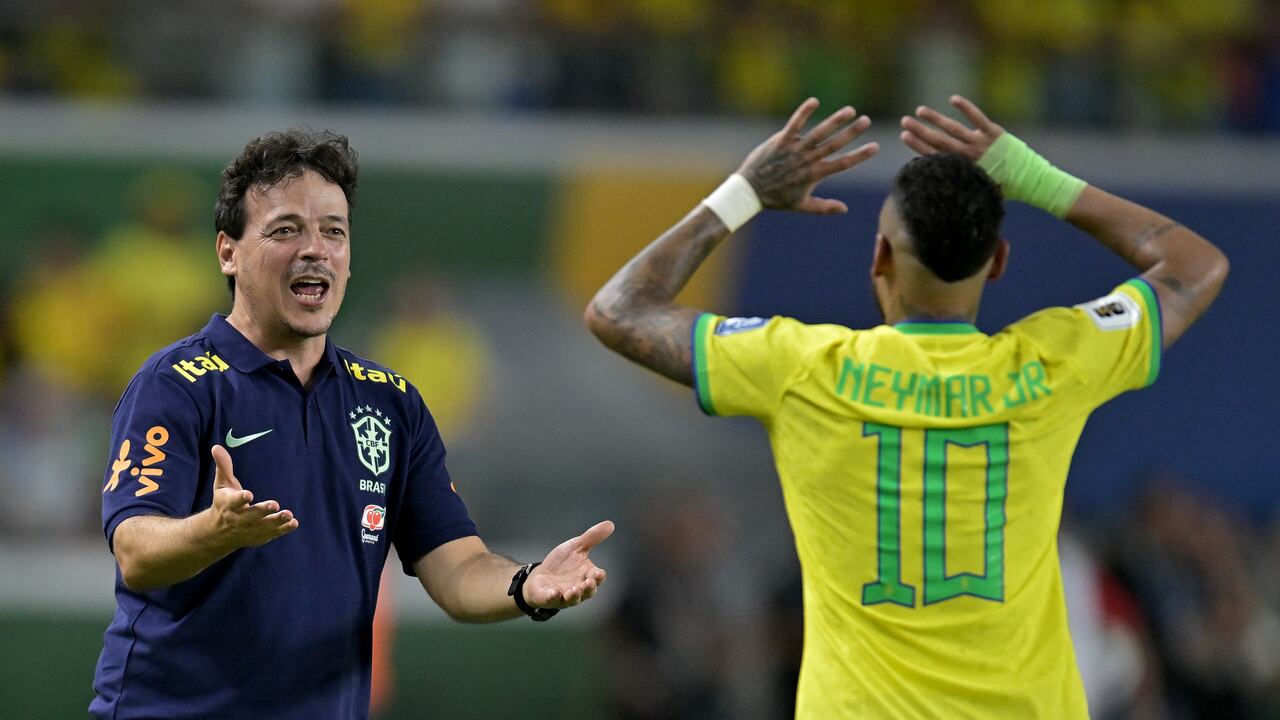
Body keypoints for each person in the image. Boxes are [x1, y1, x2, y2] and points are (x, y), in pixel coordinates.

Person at [584, 95, 1227, 718]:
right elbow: (1193, 265)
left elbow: (619, 311)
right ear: (999, 261)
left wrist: (744, 193)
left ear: (881, 256)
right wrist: (1035, 179)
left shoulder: (802, 368)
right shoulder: (1054, 363)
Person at [92, 129, 613, 720]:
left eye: (333, 231)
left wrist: (526, 585)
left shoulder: (392, 405)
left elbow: (457, 568)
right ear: (228, 252)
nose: (316, 249)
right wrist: (212, 532)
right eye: (286, 229)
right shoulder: (176, 383)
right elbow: (134, 549)